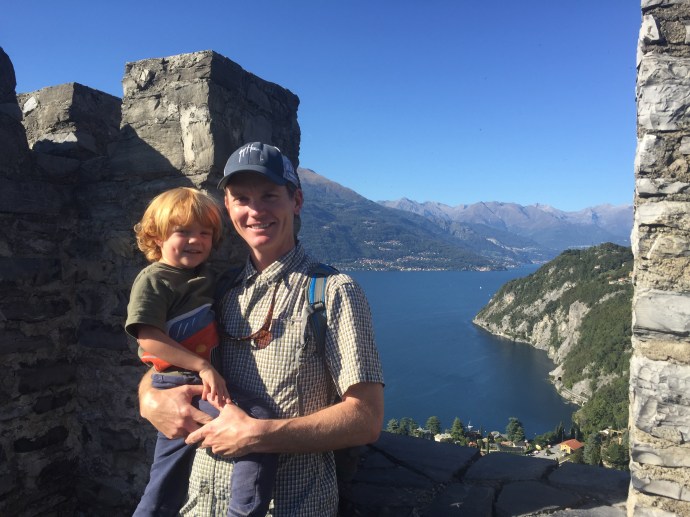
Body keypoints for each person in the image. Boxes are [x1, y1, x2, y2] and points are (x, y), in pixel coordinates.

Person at [138, 142, 385, 515]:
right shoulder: (215, 289)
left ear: (295, 201)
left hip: (290, 506)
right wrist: (149, 398)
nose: (255, 211)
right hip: (201, 503)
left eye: (269, 195)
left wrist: (258, 435)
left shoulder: (332, 292)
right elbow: (166, 360)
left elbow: (366, 419)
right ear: (228, 207)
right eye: (242, 199)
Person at [127, 186, 277, 517]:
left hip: (189, 381)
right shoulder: (154, 280)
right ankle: (245, 511)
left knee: (166, 479)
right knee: (256, 422)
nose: (195, 240)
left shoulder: (203, 277)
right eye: (182, 232)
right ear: (156, 236)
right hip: (181, 382)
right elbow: (148, 339)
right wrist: (204, 367)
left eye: (204, 233)